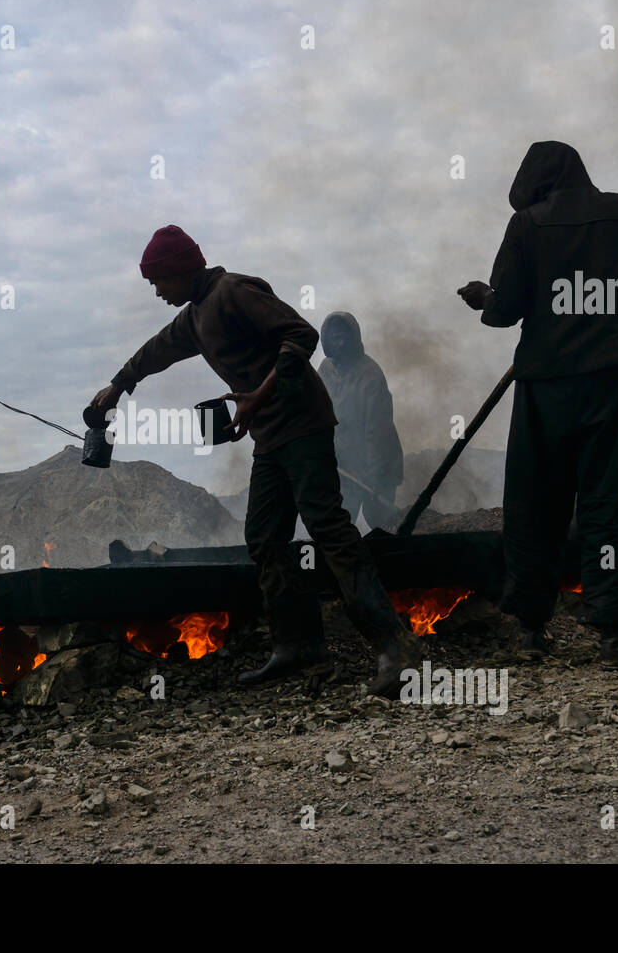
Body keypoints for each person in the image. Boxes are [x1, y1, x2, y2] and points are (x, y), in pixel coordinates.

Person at [89, 225, 419, 693]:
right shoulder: (196, 315)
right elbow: (158, 350)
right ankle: (298, 646)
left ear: (180, 269)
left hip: (302, 424)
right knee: (264, 537)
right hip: (270, 437)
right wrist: (120, 384)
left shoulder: (234, 291)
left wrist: (256, 398)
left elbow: (300, 336)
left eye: (159, 281)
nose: (157, 291)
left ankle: (393, 646)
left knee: (328, 527)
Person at [457, 141, 618, 665]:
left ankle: (528, 630)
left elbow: (504, 312)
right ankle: (615, 631)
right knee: (606, 503)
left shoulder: (526, 226)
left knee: (534, 505)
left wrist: (484, 296)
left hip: (544, 388)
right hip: (603, 385)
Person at [317, 311, 404, 531]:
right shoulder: (325, 370)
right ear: (326, 341)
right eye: (335, 338)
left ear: (355, 338)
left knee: (382, 526)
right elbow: (317, 413)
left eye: (345, 337)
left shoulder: (371, 375)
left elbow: (377, 431)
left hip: (379, 465)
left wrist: (375, 476)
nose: (341, 343)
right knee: (341, 526)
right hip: (344, 468)